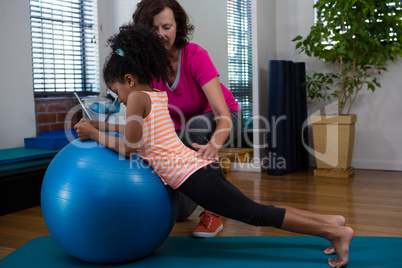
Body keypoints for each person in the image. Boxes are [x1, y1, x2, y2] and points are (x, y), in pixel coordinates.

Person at [74, 23, 354, 268]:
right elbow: (137, 132)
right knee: (258, 208)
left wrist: (93, 134)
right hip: (199, 170)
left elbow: (129, 146)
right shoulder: (153, 93)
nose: (119, 99)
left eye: (116, 92)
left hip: (196, 179)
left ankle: (336, 234)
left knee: (257, 214)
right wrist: (97, 125)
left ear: (129, 80)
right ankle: (332, 222)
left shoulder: (135, 97)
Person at [132, 0, 243, 236]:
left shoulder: (194, 56)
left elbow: (222, 115)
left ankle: (214, 213)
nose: (161, 35)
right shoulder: (147, 69)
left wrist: (214, 145)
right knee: (181, 211)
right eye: (153, 29)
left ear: (178, 27)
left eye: (166, 27)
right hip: (182, 129)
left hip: (225, 117)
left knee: (196, 127)